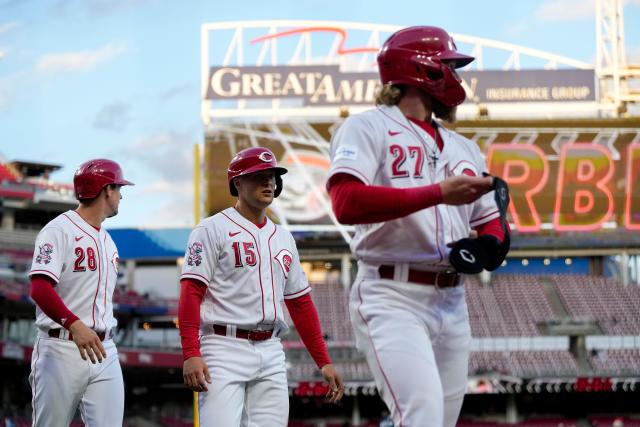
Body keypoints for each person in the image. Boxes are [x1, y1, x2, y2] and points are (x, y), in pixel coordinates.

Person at [327, 26, 510, 427]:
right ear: (421, 69)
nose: (456, 76)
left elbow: (489, 222)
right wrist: (438, 193)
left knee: (436, 422)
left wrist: (490, 245)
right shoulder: (367, 127)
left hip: (452, 301)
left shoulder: (464, 147)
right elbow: (345, 202)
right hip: (392, 295)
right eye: (450, 65)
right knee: (420, 415)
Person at [179, 147, 344, 426]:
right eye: (258, 177)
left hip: (271, 349)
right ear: (238, 183)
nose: (268, 183)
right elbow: (191, 293)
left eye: (271, 177)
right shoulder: (211, 229)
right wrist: (191, 353)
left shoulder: (283, 237)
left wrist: (323, 361)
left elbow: (300, 304)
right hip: (223, 347)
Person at [28, 159, 133, 426]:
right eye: (119, 188)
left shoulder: (108, 241)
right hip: (61, 345)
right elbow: (39, 288)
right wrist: (74, 324)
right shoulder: (58, 229)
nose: (121, 195)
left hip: (104, 348)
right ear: (107, 190)